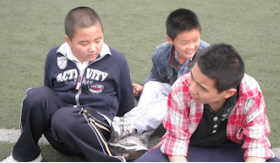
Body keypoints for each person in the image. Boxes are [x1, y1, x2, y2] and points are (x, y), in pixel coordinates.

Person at [2, 6, 134, 163]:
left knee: (64, 117)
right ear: (69, 41)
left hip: (97, 133)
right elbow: (48, 91)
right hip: (60, 132)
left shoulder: (116, 59)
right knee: (37, 96)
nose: (93, 48)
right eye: (84, 43)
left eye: (98, 40)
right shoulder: (55, 55)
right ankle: (26, 156)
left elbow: (126, 102)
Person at [134, 43, 280, 163]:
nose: (191, 88)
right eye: (192, 76)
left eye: (202, 87)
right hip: (188, 149)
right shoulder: (181, 88)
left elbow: (257, 144)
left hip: (235, 152)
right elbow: (176, 144)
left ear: (228, 93)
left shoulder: (250, 91)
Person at [109, 8, 209, 161]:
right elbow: (155, 78)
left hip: (197, 107)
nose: (191, 46)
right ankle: (138, 140)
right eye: (184, 42)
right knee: (153, 86)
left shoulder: (208, 56)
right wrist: (143, 87)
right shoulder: (160, 54)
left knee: (179, 96)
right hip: (174, 99)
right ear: (171, 40)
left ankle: (130, 124)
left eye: (196, 40)